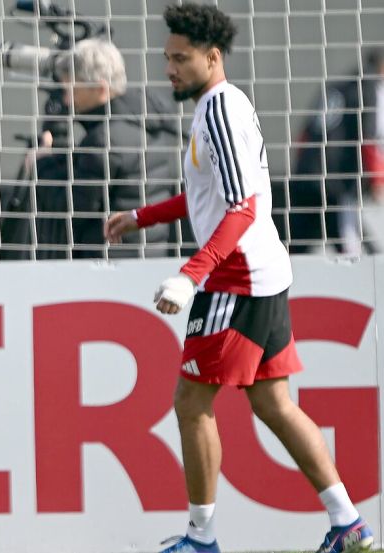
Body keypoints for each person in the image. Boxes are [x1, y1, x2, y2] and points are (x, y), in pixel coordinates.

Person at [104, 4, 374, 553]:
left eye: (180, 59)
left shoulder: (219, 112)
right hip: (263, 272)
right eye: (167, 58)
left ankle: (201, 539)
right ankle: (349, 525)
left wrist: (189, 275)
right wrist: (143, 217)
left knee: (190, 402)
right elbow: (207, 195)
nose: (170, 69)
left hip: (237, 279)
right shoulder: (218, 106)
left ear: (212, 56)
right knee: (274, 403)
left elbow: (243, 206)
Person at [5, 37, 181, 259]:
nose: (67, 101)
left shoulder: (105, 139)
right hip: (146, 256)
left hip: (108, 266)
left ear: (100, 89)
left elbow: (72, 209)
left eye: (72, 90)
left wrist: (41, 163)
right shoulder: (146, 121)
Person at [288, 47, 383, 255]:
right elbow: (367, 138)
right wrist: (377, 180)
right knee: (349, 242)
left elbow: (305, 134)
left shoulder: (337, 86)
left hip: (306, 174)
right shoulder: (368, 88)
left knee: (297, 246)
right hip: (336, 181)